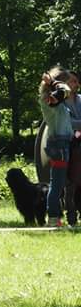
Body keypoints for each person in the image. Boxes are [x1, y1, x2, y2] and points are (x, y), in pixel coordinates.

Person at [39, 66, 73, 227]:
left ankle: (56, 218)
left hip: (63, 143)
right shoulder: (51, 99)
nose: (71, 85)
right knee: (57, 183)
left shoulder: (56, 98)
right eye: (67, 80)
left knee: (59, 183)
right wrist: (54, 82)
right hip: (58, 145)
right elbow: (64, 89)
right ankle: (53, 218)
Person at [64, 70, 81, 227]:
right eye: (70, 81)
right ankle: (71, 218)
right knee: (71, 184)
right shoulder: (60, 103)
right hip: (67, 145)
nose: (73, 84)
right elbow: (68, 123)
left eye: (75, 81)